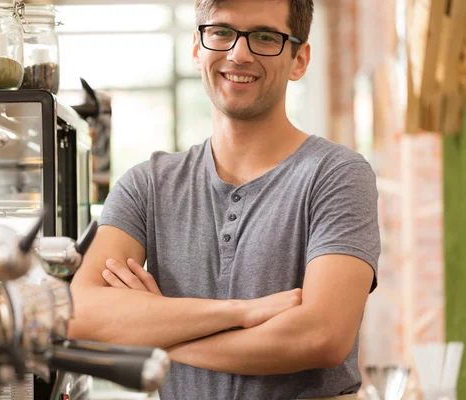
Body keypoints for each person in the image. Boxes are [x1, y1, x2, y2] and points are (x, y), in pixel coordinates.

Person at [69, 0, 380, 399]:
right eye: (221, 32)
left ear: (299, 59)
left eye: (265, 37)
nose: (239, 53)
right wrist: (242, 313)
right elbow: (81, 313)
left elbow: (322, 336)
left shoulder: (337, 174)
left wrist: (157, 332)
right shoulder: (146, 185)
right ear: (198, 49)